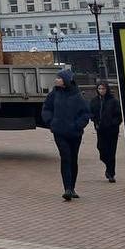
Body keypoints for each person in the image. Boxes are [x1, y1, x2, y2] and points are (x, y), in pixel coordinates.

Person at [41, 68, 90, 201]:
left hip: (75, 134)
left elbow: (85, 113)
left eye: (59, 78)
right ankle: (67, 188)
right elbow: (46, 108)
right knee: (66, 157)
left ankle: (72, 187)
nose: (56, 80)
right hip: (59, 132)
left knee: (73, 159)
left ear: (66, 81)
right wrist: (51, 123)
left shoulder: (77, 95)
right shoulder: (53, 94)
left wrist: (77, 125)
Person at [88, 81, 122, 183]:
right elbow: (91, 112)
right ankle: (108, 165)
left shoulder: (113, 101)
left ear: (106, 89)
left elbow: (118, 116)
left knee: (111, 151)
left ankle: (111, 173)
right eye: (99, 89)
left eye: (103, 89)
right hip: (100, 129)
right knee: (101, 148)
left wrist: (113, 123)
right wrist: (94, 120)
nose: (101, 91)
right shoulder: (94, 101)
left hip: (112, 130)